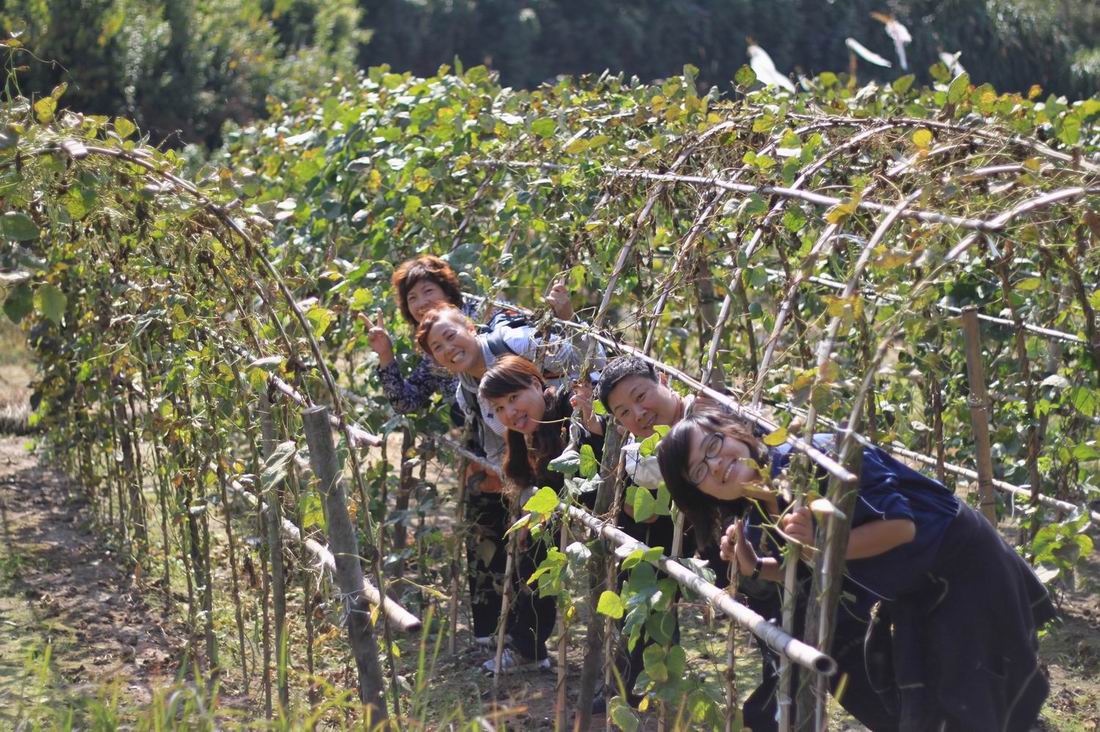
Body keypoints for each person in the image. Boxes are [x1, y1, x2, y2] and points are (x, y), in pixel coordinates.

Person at [658, 410, 1055, 731]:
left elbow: (901, 527)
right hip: (915, 587)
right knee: (936, 706)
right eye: (698, 472)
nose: (716, 465)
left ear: (735, 431)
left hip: (962, 563)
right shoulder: (757, 511)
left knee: (975, 699)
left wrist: (820, 543)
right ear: (700, 492)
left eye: (714, 445)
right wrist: (758, 567)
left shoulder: (810, 462)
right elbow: (814, 567)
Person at [416, 304, 592, 651]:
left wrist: (581, 405)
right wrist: (526, 495)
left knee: (545, 547)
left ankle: (528, 645)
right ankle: (526, 645)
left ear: (470, 327)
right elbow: (500, 445)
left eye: (450, 336)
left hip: (578, 439)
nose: (448, 349)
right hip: (543, 458)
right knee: (535, 546)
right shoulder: (467, 391)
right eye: (438, 348)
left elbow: (582, 356)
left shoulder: (514, 341)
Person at [477, 355, 604, 673]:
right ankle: (528, 650)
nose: (509, 413)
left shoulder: (566, 407)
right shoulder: (526, 430)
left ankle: (532, 651)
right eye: (499, 409)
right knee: (532, 565)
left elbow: (597, 455)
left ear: (536, 384)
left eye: (513, 398)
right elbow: (529, 480)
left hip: (603, 511)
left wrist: (588, 412)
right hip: (561, 515)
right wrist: (527, 519)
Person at [362, 254, 575, 414]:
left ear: (448, 292)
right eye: (412, 298)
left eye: (428, 291)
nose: (422, 303)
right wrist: (385, 355)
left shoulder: (490, 315)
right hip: (496, 436)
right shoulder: (434, 355)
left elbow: (555, 345)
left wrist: (566, 316)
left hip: (544, 411)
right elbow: (405, 402)